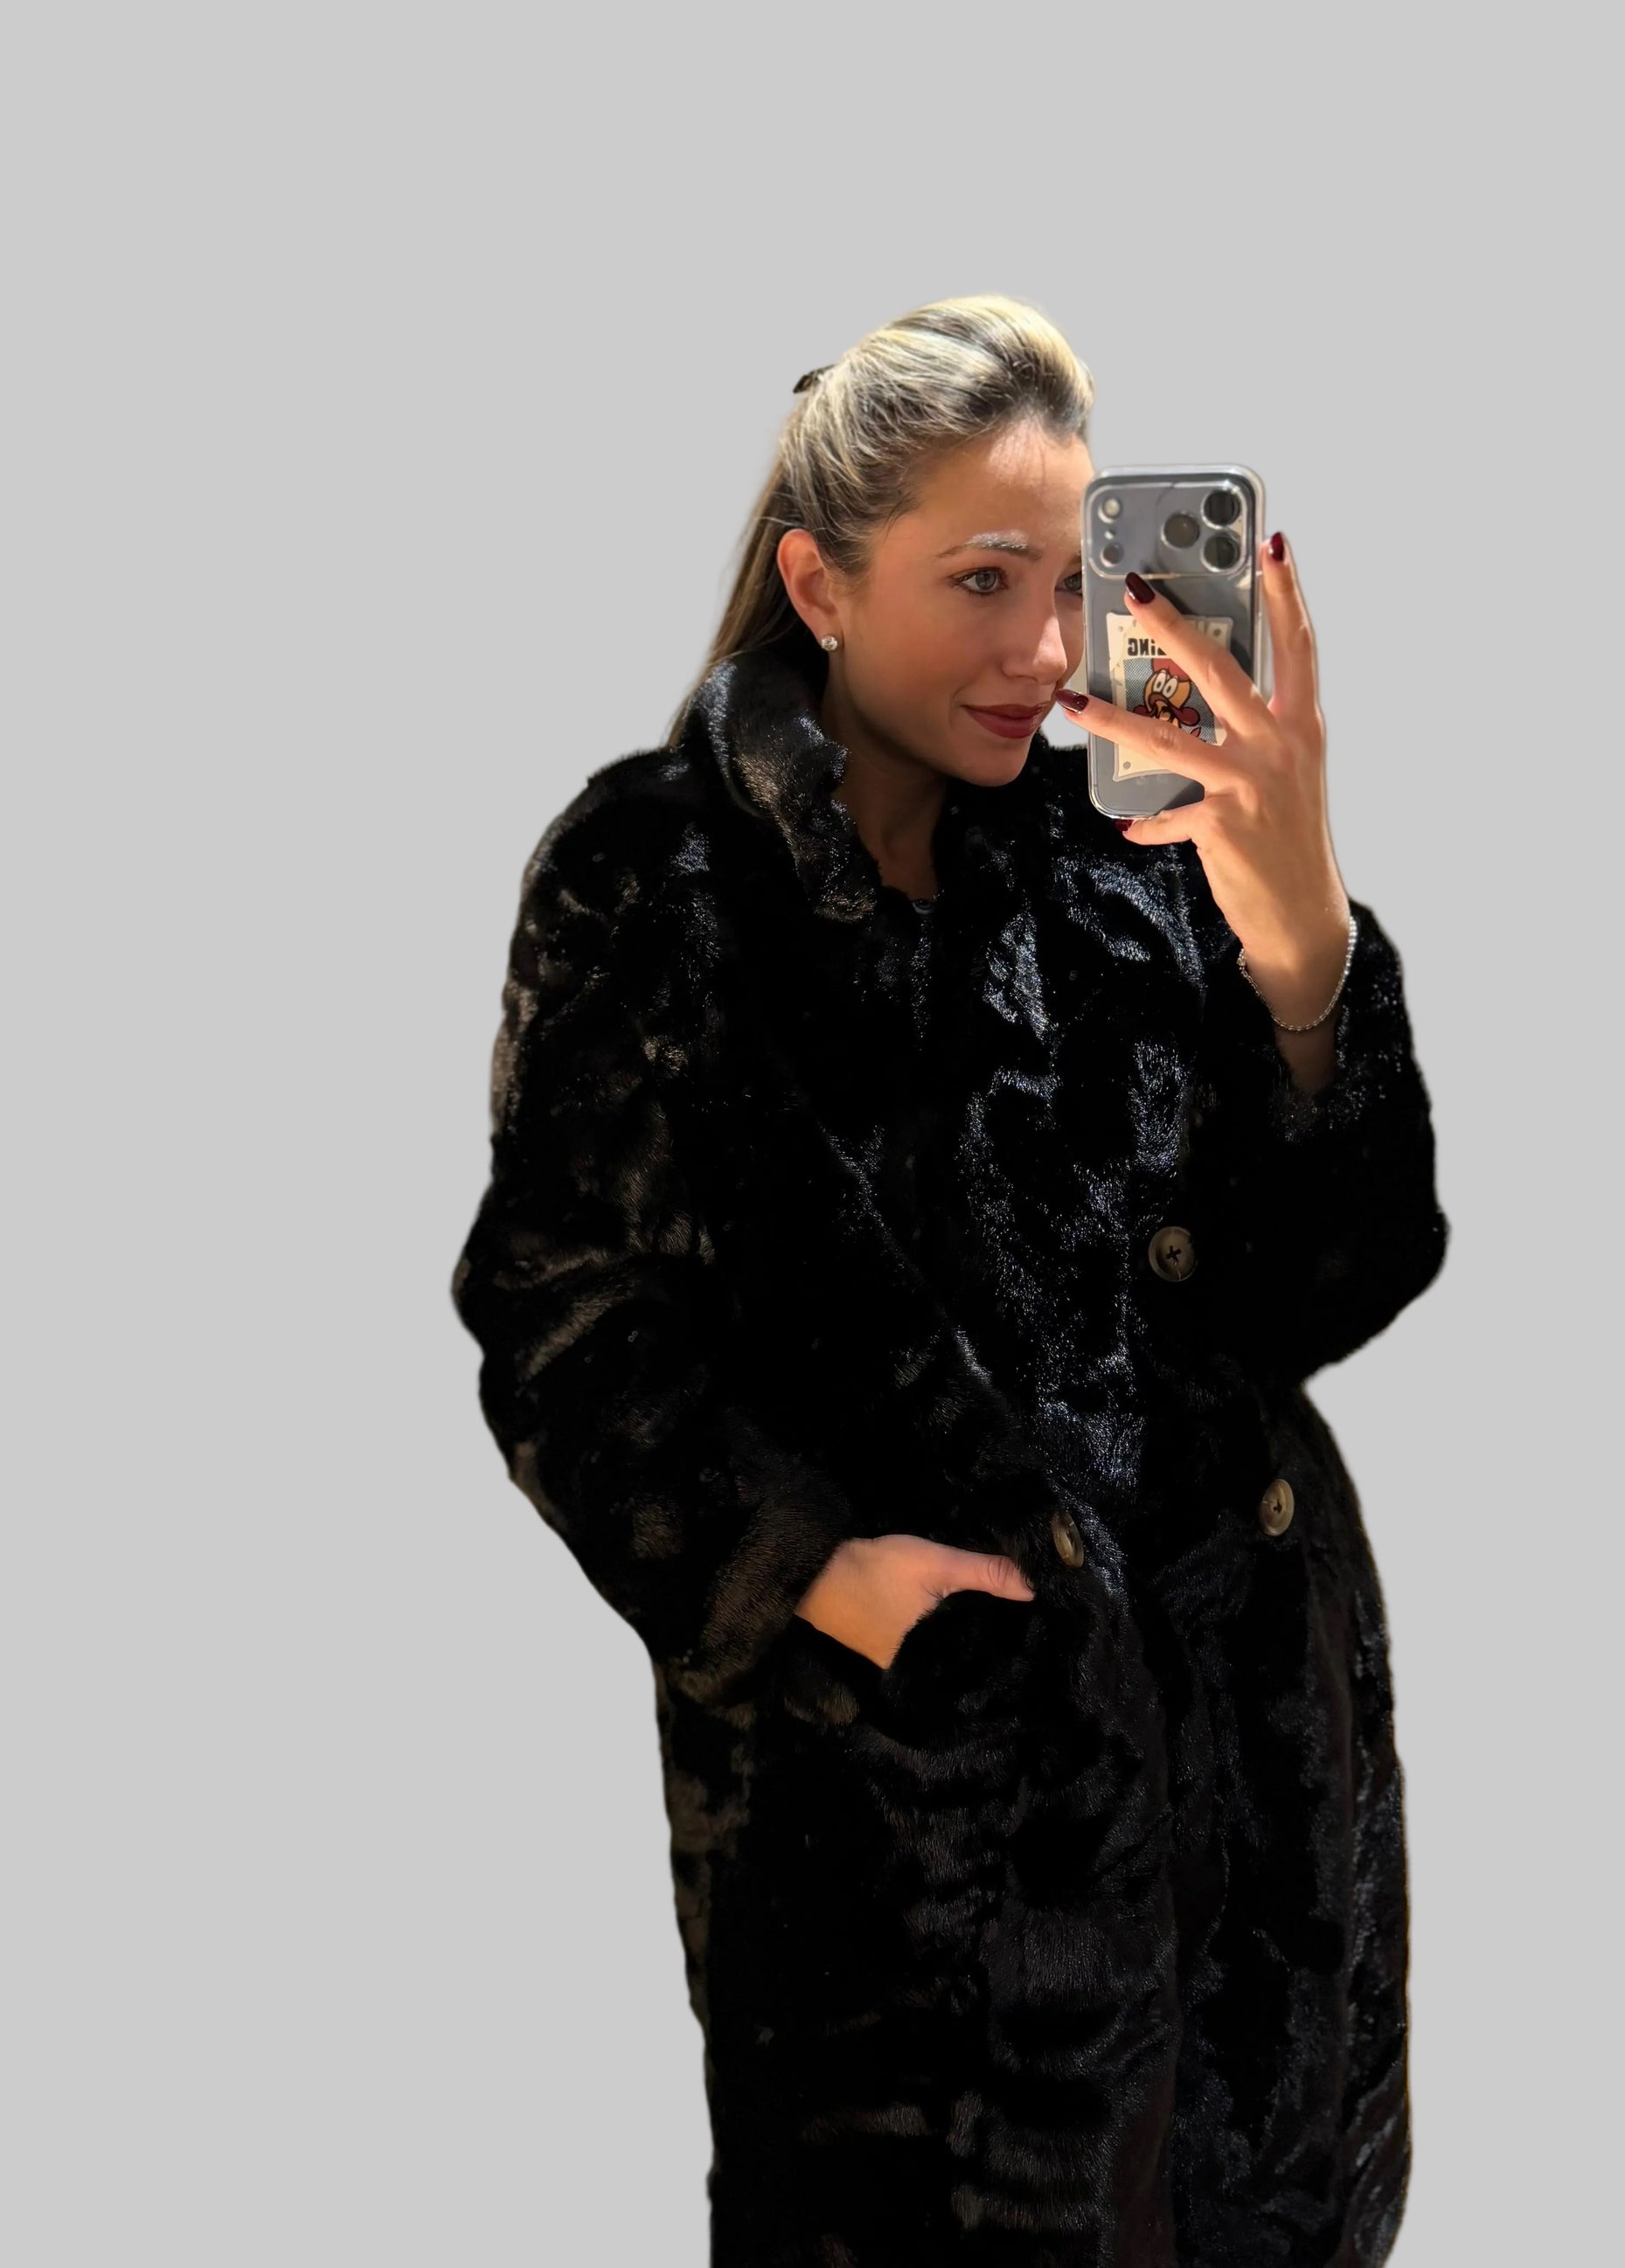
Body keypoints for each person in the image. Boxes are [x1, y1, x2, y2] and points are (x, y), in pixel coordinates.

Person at [448, 293, 1448, 2267]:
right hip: (917, 1837)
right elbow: (560, 1315)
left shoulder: (1135, 856)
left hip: (1251, 1798)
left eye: (1071, 580)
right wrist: (806, 1574)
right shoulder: (659, 878)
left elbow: (1333, 1283)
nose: (1048, 649)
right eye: (982, 579)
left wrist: (1302, 939)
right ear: (818, 583)